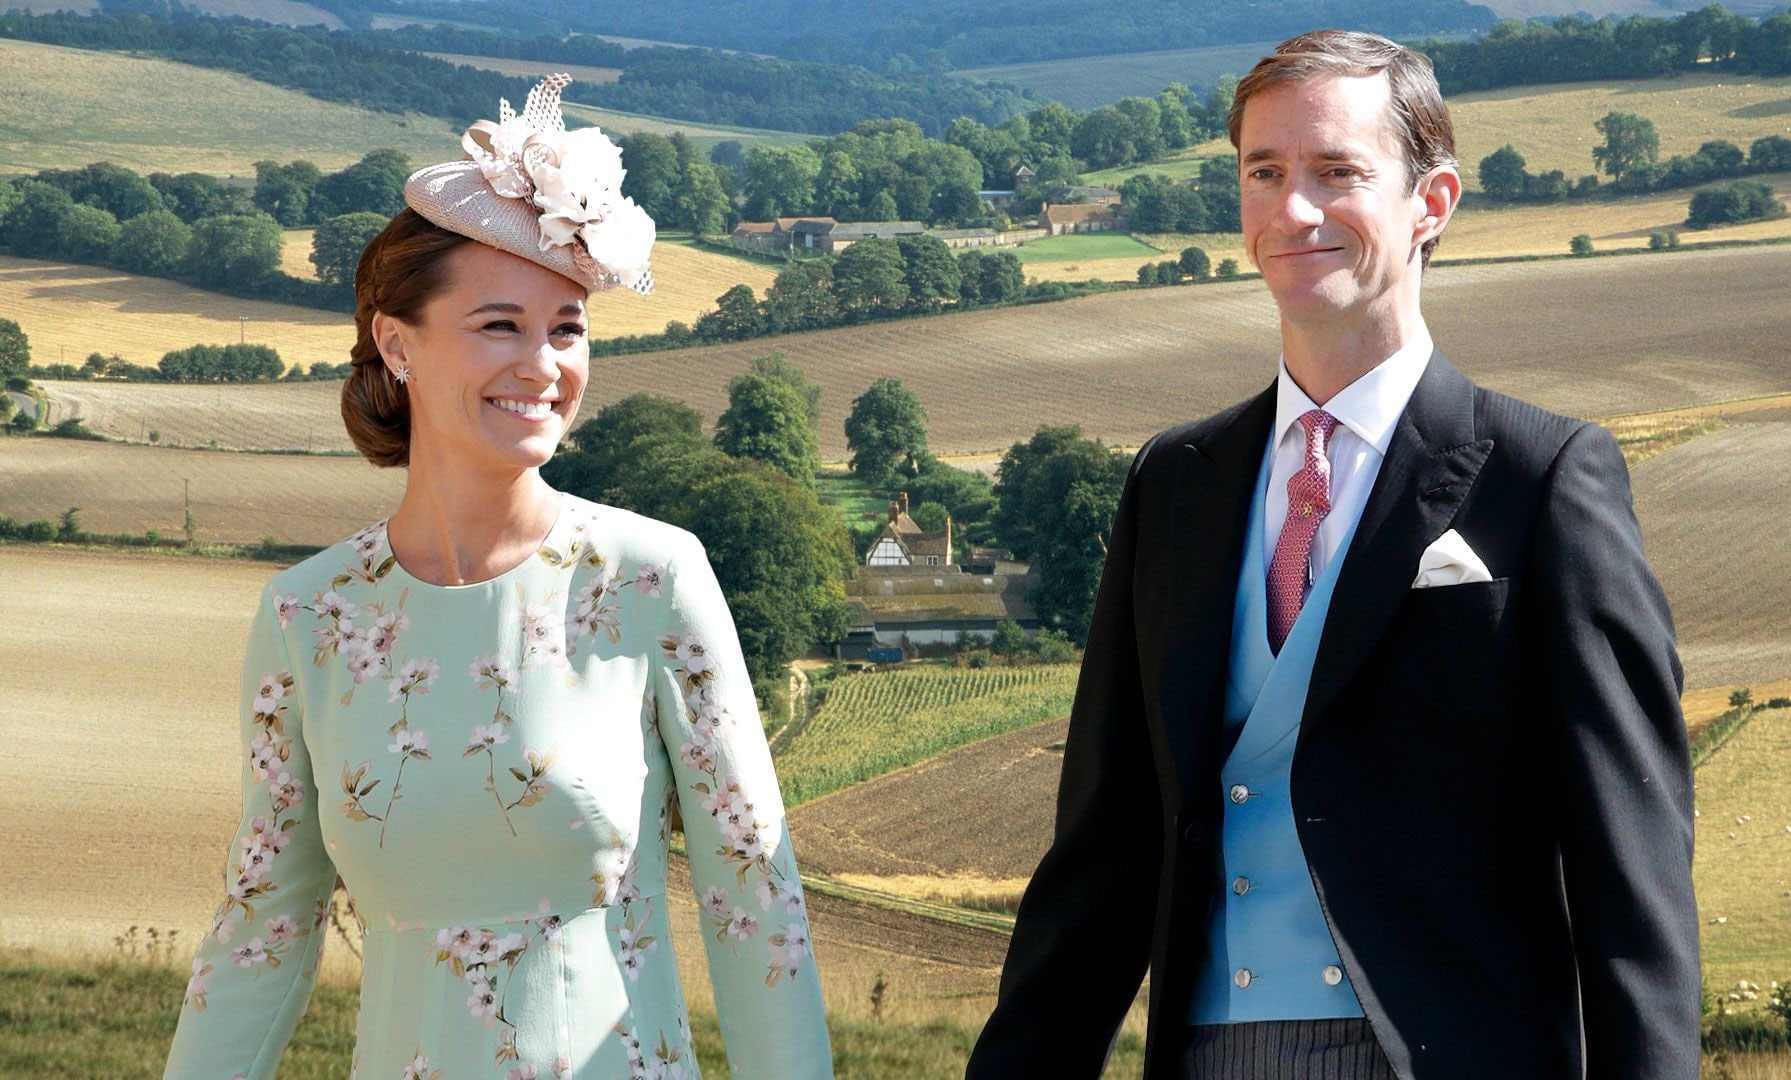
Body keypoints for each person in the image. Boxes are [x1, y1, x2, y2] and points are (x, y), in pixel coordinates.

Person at [968, 30, 1698, 1079]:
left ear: (1432, 203)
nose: (1293, 211)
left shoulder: (1544, 481)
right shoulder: (1173, 484)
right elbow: (1103, 849)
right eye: (1264, 172)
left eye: (1337, 172)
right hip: (1210, 1056)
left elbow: (1633, 871)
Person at [163, 75, 832, 1079]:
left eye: (566, 327)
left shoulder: (650, 579)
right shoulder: (311, 617)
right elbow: (259, 933)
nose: (542, 362)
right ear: (398, 343)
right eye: (498, 325)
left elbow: (756, 904)